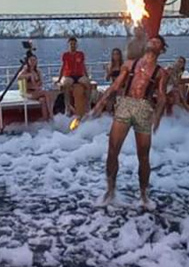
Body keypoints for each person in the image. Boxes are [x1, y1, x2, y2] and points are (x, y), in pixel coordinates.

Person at [91, 36, 168, 209]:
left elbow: (162, 96)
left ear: (161, 50)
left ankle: (143, 195)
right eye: (151, 40)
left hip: (144, 107)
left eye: (157, 42)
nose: (152, 42)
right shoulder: (130, 63)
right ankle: (110, 191)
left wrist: (158, 116)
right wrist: (101, 102)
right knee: (112, 150)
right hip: (125, 104)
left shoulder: (161, 72)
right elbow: (116, 85)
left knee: (143, 156)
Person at [58, 37, 91, 114]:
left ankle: (87, 105)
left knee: (88, 84)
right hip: (69, 75)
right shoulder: (65, 55)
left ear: (76, 45)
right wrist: (59, 78)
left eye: (74, 44)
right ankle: (67, 107)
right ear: (68, 45)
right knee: (66, 85)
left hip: (79, 75)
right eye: (71, 44)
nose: (72, 45)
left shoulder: (80, 54)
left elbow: (83, 65)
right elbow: (62, 67)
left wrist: (87, 76)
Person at [18, 54, 54, 121]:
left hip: (36, 91)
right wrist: (29, 75)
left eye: (34, 60)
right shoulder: (26, 70)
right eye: (31, 60)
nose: (33, 62)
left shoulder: (38, 71)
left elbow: (41, 82)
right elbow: (19, 77)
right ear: (28, 61)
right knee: (46, 93)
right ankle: (51, 114)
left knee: (42, 100)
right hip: (28, 92)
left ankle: (45, 119)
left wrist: (37, 85)